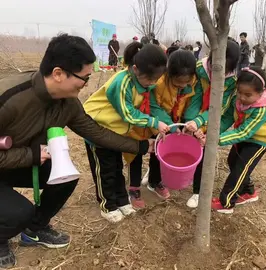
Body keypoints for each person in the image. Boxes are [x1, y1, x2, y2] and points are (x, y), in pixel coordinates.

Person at [0, 34, 154, 269]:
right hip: (10, 162)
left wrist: (141, 147)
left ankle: (35, 229)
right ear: (59, 73)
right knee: (19, 212)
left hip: (12, 163)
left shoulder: (67, 104)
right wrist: (30, 156)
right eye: (85, 78)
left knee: (64, 177)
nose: (86, 83)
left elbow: (97, 133)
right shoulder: (10, 98)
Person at [83, 42, 169, 223]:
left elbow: (152, 106)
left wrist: (169, 125)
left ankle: (121, 200)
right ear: (136, 69)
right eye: (150, 80)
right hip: (97, 128)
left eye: (156, 80)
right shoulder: (121, 83)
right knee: (104, 169)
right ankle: (107, 205)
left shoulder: (145, 84)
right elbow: (128, 113)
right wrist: (154, 122)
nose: (153, 84)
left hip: (115, 131)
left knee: (116, 167)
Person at [198, 67, 266, 213]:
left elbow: (244, 132)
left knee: (240, 169)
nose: (242, 97)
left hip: (261, 139)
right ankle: (249, 192)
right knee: (232, 161)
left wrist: (215, 140)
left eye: (248, 95)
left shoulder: (263, 109)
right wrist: (211, 133)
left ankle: (227, 202)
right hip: (246, 133)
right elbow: (227, 118)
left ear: (260, 92)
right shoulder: (236, 99)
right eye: (240, 92)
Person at [128, 49, 198, 209]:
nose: (182, 86)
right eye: (177, 83)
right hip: (149, 120)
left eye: (185, 82)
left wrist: (183, 124)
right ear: (168, 74)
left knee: (159, 151)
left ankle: (154, 181)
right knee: (137, 151)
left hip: (169, 124)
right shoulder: (157, 83)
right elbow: (153, 106)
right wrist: (166, 125)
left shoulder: (190, 84)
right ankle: (134, 188)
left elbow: (186, 105)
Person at [184, 40, 240, 208]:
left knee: (205, 152)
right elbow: (195, 98)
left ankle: (197, 192)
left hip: (218, 119)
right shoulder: (200, 70)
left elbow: (222, 109)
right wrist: (191, 121)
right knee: (187, 143)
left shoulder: (234, 81)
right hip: (197, 117)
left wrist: (207, 129)